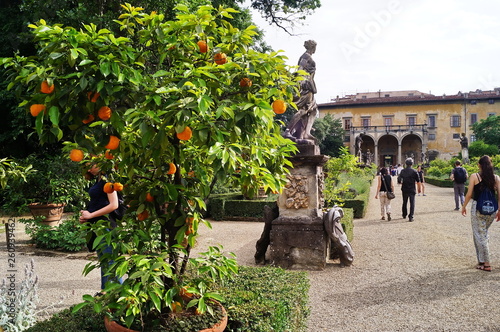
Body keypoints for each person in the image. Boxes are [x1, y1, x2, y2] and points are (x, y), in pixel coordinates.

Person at [79, 163, 121, 291]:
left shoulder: (108, 181)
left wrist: (91, 215)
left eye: (91, 165)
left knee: (111, 262)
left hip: (105, 226)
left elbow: (114, 205)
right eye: (87, 167)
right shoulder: (99, 180)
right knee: (104, 262)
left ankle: (122, 293)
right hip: (97, 226)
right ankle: (105, 293)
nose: (89, 169)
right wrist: (87, 217)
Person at [461, 155, 500, 272]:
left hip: (478, 208)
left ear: (479, 165)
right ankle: (481, 261)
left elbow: (469, 194)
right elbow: (499, 195)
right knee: (482, 233)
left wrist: (463, 207)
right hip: (492, 209)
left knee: (480, 235)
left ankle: (487, 263)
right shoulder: (496, 178)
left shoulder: (475, 176)